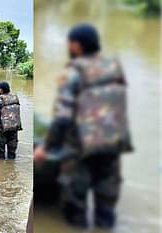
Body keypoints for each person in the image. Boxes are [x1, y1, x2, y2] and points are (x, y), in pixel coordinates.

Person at [34, 24, 133, 229]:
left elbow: (62, 117)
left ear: (76, 46)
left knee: (75, 201)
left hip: (82, 146)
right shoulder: (114, 66)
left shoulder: (73, 71)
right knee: (106, 201)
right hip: (113, 140)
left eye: (69, 43)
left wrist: (46, 148)